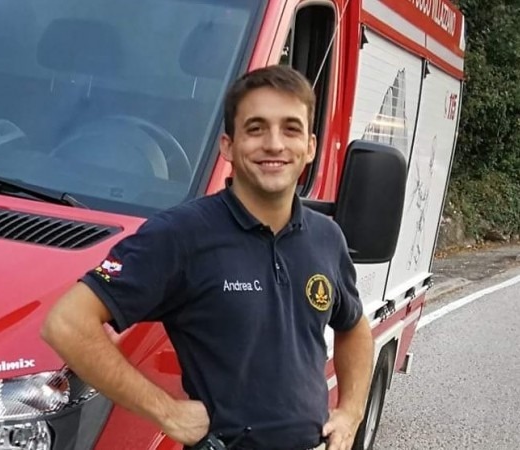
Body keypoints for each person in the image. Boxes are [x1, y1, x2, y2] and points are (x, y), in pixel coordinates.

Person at [40, 65, 374, 450]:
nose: (274, 144)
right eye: (256, 129)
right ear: (228, 146)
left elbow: (354, 327)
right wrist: (167, 413)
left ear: (310, 147)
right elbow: (67, 323)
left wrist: (351, 412)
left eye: (290, 129)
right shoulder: (181, 234)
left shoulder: (326, 237)